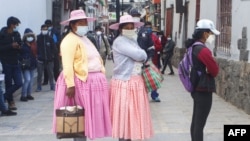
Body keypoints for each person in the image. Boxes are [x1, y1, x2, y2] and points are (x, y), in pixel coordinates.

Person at [52, 9, 112, 141]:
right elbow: (67, 64)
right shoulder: (69, 40)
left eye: (85, 22)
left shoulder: (84, 38)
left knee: (87, 116)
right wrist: (70, 85)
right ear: (73, 25)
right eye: (80, 23)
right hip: (80, 83)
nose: (84, 25)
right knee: (80, 116)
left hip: (91, 83)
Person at [109, 14, 154, 141]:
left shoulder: (132, 40)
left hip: (135, 82)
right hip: (125, 82)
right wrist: (143, 53)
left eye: (132, 27)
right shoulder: (119, 41)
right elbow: (139, 55)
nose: (130, 29)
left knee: (134, 117)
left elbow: (141, 54)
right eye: (127, 27)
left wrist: (142, 54)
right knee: (125, 117)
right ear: (120, 29)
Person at [187, 19, 220, 141]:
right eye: (211, 33)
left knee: (196, 121)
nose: (212, 36)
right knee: (199, 124)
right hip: (203, 88)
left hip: (196, 87)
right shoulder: (203, 50)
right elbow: (215, 70)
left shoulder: (193, 47)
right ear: (205, 33)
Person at [0, 16, 23, 110]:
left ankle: (3, 97)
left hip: (15, 62)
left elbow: (21, 46)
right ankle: (10, 102)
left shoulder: (17, 34)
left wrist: (18, 47)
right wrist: (10, 46)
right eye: (16, 25)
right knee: (8, 83)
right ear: (11, 25)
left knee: (19, 83)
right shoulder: (2, 35)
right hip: (6, 62)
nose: (17, 27)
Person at [138, 22, 161, 102]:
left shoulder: (154, 37)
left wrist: (153, 49)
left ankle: (154, 95)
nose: (148, 29)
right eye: (147, 27)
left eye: (149, 27)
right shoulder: (140, 35)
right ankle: (143, 95)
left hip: (152, 61)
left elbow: (159, 46)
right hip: (141, 61)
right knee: (143, 79)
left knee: (153, 79)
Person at [36, 24, 56, 92]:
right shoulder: (38, 38)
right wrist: (38, 56)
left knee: (50, 73)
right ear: (41, 30)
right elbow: (36, 48)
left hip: (49, 60)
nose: (45, 31)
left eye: (46, 29)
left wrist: (52, 56)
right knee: (40, 74)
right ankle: (39, 86)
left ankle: (52, 86)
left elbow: (54, 48)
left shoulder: (50, 38)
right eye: (43, 29)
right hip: (40, 60)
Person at [19, 28, 37, 101]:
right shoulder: (22, 46)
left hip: (32, 65)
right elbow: (19, 55)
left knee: (31, 80)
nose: (30, 38)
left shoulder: (33, 45)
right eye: (28, 36)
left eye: (31, 36)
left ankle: (28, 94)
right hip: (25, 65)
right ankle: (23, 95)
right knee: (27, 79)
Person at [43, 19, 61, 83]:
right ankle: (46, 80)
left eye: (48, 26)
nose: (47, 27)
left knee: (56, 66)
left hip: (55, 50)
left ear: (51, 25)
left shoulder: (56, 31)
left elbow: (59, 41)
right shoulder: (44, 31)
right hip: (47, 51)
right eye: (46, 26)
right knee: (46, 67)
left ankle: (57, 79)